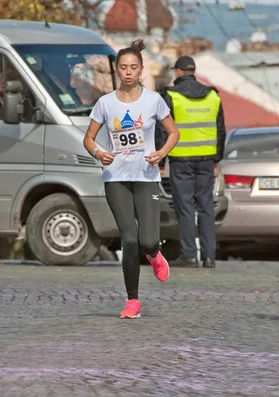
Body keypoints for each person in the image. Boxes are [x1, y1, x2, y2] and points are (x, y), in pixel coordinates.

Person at [82, 39, 180, 319]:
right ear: (117, 70)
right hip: (116, 179)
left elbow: (173, 133)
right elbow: (88, 139)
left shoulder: (153, 100)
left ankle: (154, 254)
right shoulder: (105, 103)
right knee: (129, 239)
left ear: (140, 71)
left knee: (148, 241)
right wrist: (100, 153)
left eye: (133, 67)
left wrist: (160, 153)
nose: (127, 72)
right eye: (123, 67)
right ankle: (132, 301)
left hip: (146, 178)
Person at [157, 56, 226, 268]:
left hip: (181, 160)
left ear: (178, 72)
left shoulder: (170, 95)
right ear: (193, 71)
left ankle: (188, 255)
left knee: (185, 206)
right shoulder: (212, 96)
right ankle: (209, 256)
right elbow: (221, 130)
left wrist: (160, 159)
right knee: (205, 206)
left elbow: (162, 129)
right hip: (206, 159)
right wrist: (217, 158)